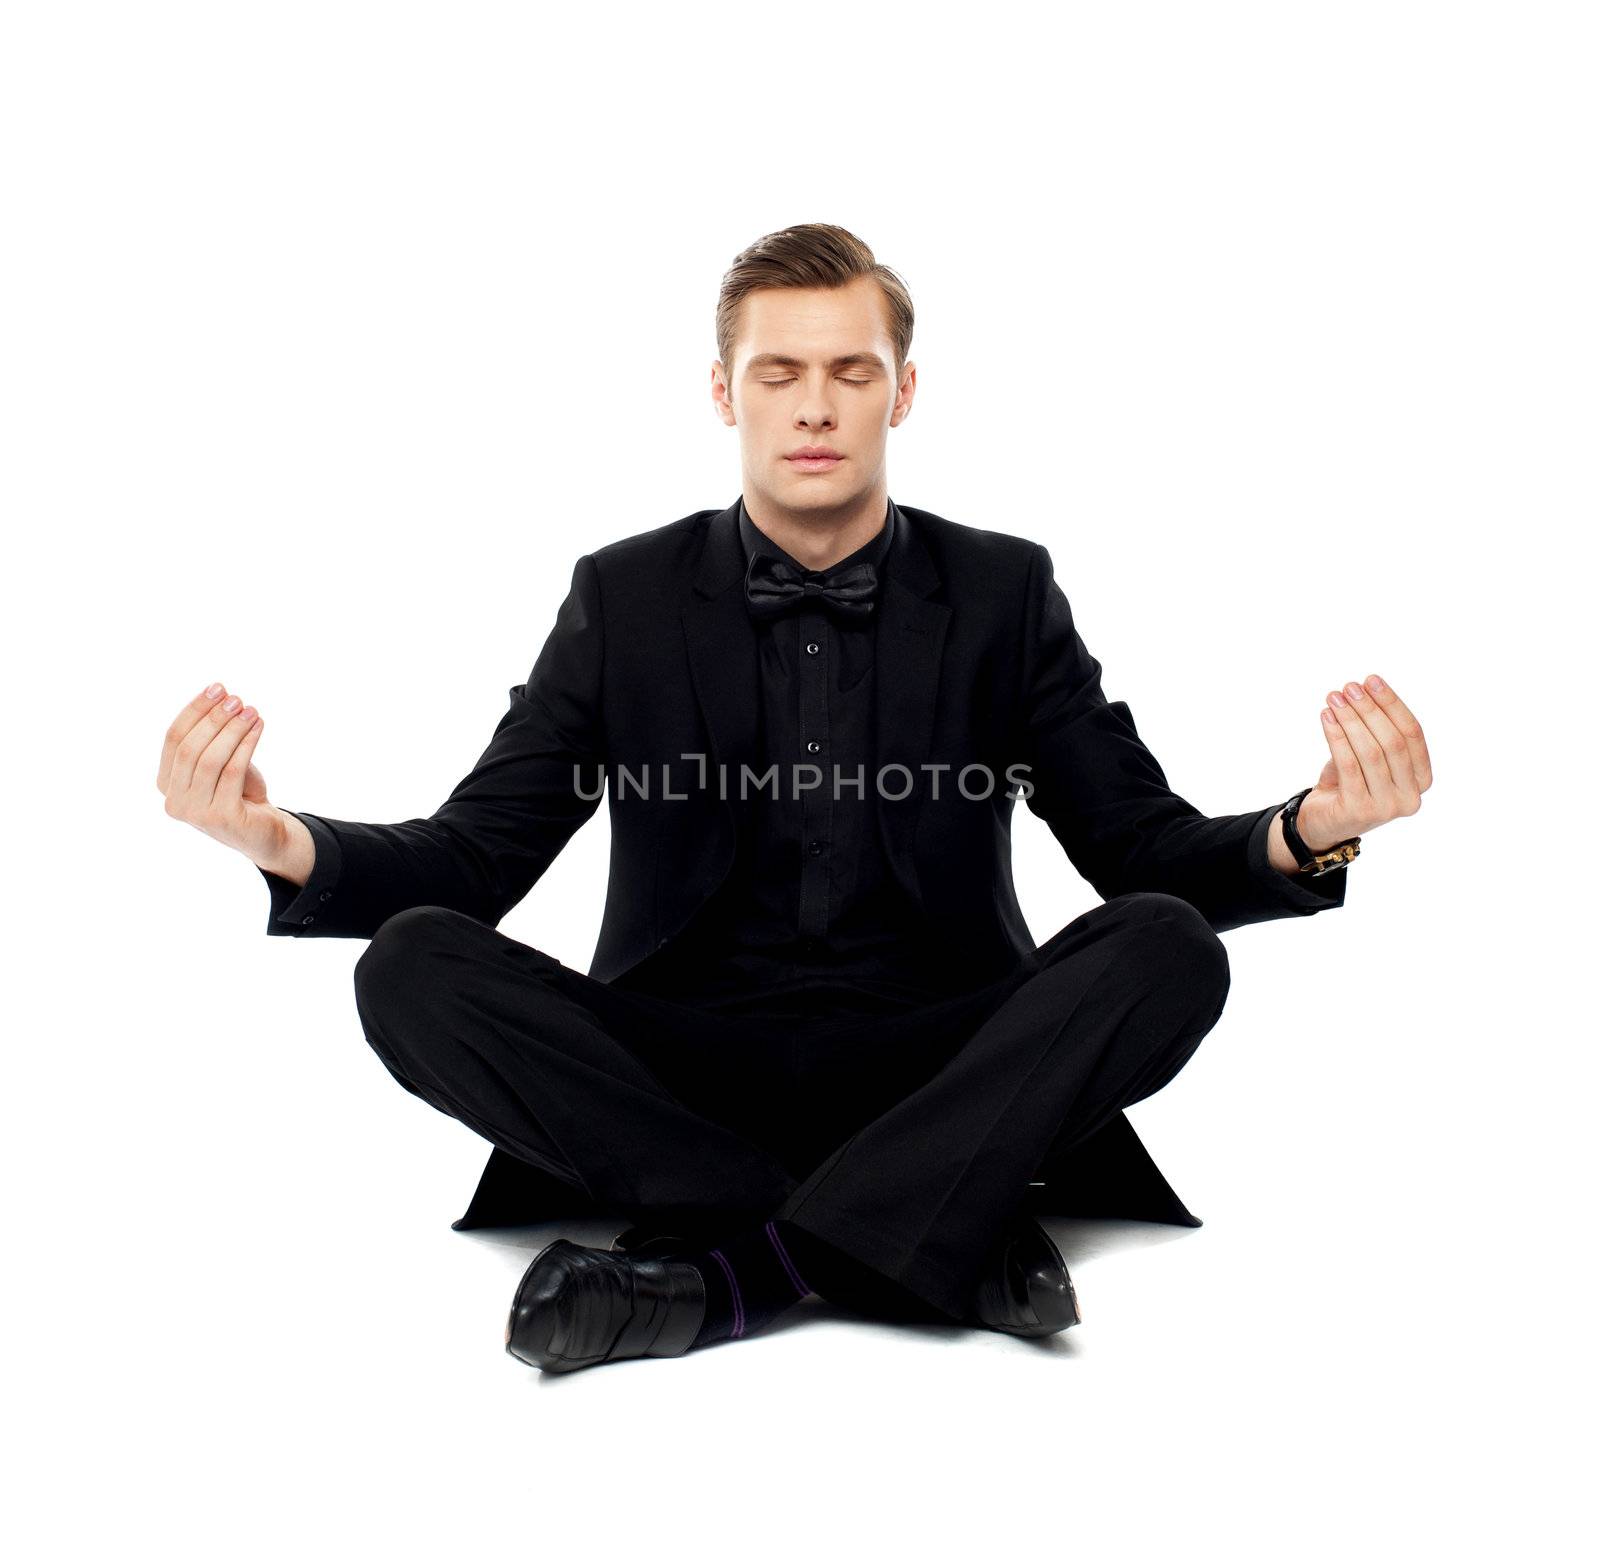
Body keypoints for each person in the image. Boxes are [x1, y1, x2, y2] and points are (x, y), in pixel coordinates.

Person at [158, 223, 1430, 1374]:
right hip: (680, 1066)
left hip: (938, 1051)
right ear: (725, 393)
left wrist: (1310, 829)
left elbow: (1136, 848)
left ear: (902, 391)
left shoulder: (1003, 592)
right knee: (410, 966)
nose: (812, 408)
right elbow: (475, 858)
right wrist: (277, 840)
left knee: (1166, 948)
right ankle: (927, 1225)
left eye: (850, 373)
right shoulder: (624, 595)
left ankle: (737, 1273)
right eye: (778, 374)